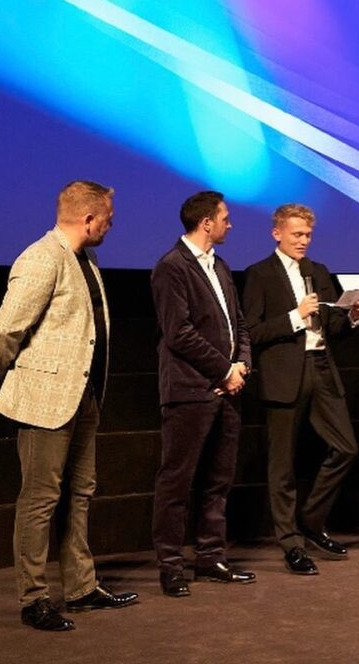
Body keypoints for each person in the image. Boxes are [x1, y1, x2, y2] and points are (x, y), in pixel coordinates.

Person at [0, 181, 137, 631]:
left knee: (80, 494)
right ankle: (34, 598)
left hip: (84, 396)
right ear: (88, 219)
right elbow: (4, 331)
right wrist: (14, 378)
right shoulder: (42, 257)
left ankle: (81, 588)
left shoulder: (85, 259)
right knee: (40, 500)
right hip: (45, 400)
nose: (112, 223)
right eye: (108, 217)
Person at [242, 203, 359, 575]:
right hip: (284, 374)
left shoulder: (318, 271)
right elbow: (252, 331)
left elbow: (333, 325)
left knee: (346, 446)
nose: (303, 241)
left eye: (308, 235)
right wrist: (296, 316)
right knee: (281, 464)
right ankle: (291, 543)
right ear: (277, 233)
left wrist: (355, 313)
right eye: (297, 234)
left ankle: (312, 521)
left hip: (321, 369)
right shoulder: (259, 274)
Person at [150, 191, 254, 597]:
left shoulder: (221, 267)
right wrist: (223, 369)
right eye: (225, 217)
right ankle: (171, 565)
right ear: (206, 222)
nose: (230, 223)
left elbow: (239, 324)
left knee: (218, 480)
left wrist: (240, 365)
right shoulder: (171, 267)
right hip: (190, 391)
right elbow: (178, 333)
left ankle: (211, 557)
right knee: (177, 481)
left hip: (227, 390)